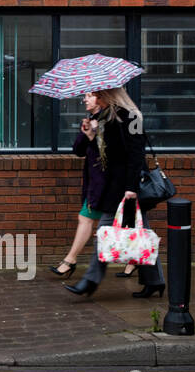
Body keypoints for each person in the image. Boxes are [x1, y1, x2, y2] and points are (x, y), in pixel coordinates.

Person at [65, 85, 165, 298]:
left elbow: (136, 154)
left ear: (105, 95)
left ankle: (90, 281)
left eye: (93, 95)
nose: (87, 99)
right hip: (113, 186)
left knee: (103, 232)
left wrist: (131, 188)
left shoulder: (131, 116)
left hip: (126, 188)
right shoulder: (103, 117)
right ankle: (155, 281)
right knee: (139, 234)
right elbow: (102, 155)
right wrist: (92, 135)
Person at [46, 91, 137, 279]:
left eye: (89, 95)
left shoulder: (117, 119)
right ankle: (137, 265)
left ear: (101, 97)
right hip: (96, 182)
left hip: (110, 183)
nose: (85, 99)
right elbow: (78, 150)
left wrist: (96, 135)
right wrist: (87, 132)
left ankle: (74, 264)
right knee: (117, 222)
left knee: (98, 221)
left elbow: (116, 155)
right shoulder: (93, 119)